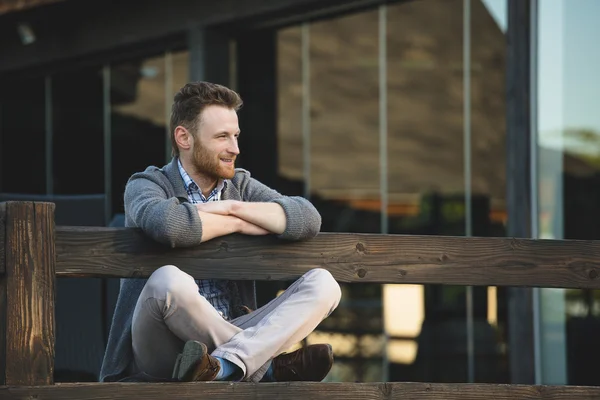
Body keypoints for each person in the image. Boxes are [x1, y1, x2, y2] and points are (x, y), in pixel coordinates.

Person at [99, 81, 342, 384]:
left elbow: (307, 217)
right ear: (184, 138)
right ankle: (266, 368)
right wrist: (249, 219)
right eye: (222, 137)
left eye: (236, 136)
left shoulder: (240, 187)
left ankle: (225, 366)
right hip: (161, 345)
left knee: (324, 285)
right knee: (168, 280)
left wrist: (234, 213)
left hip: (229, 329)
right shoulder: (147, 184)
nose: (235, 149)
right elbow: (171, 226)